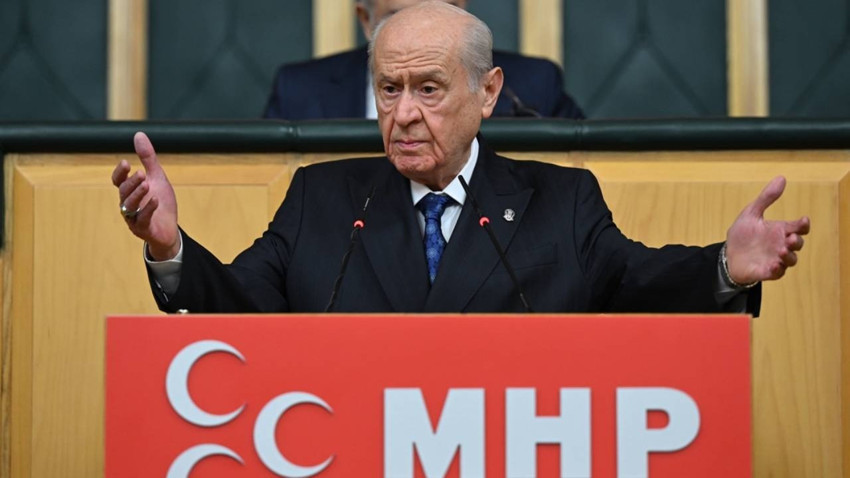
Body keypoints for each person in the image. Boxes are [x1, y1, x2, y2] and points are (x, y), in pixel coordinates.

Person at [113, 1, 808, 314]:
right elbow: (238, 305)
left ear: (488, 92)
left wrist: (725, 265)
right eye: (389, 89)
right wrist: (171, 248)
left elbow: (637, 285)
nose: (404, 113)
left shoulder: (562, 202)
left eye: (429, 89)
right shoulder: (320, 200)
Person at [262, 0, 585, 120]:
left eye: (438, 13)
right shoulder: (299, 92)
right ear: (366, 20)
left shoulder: (532, 86)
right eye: (398, 19)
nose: (420, 37)